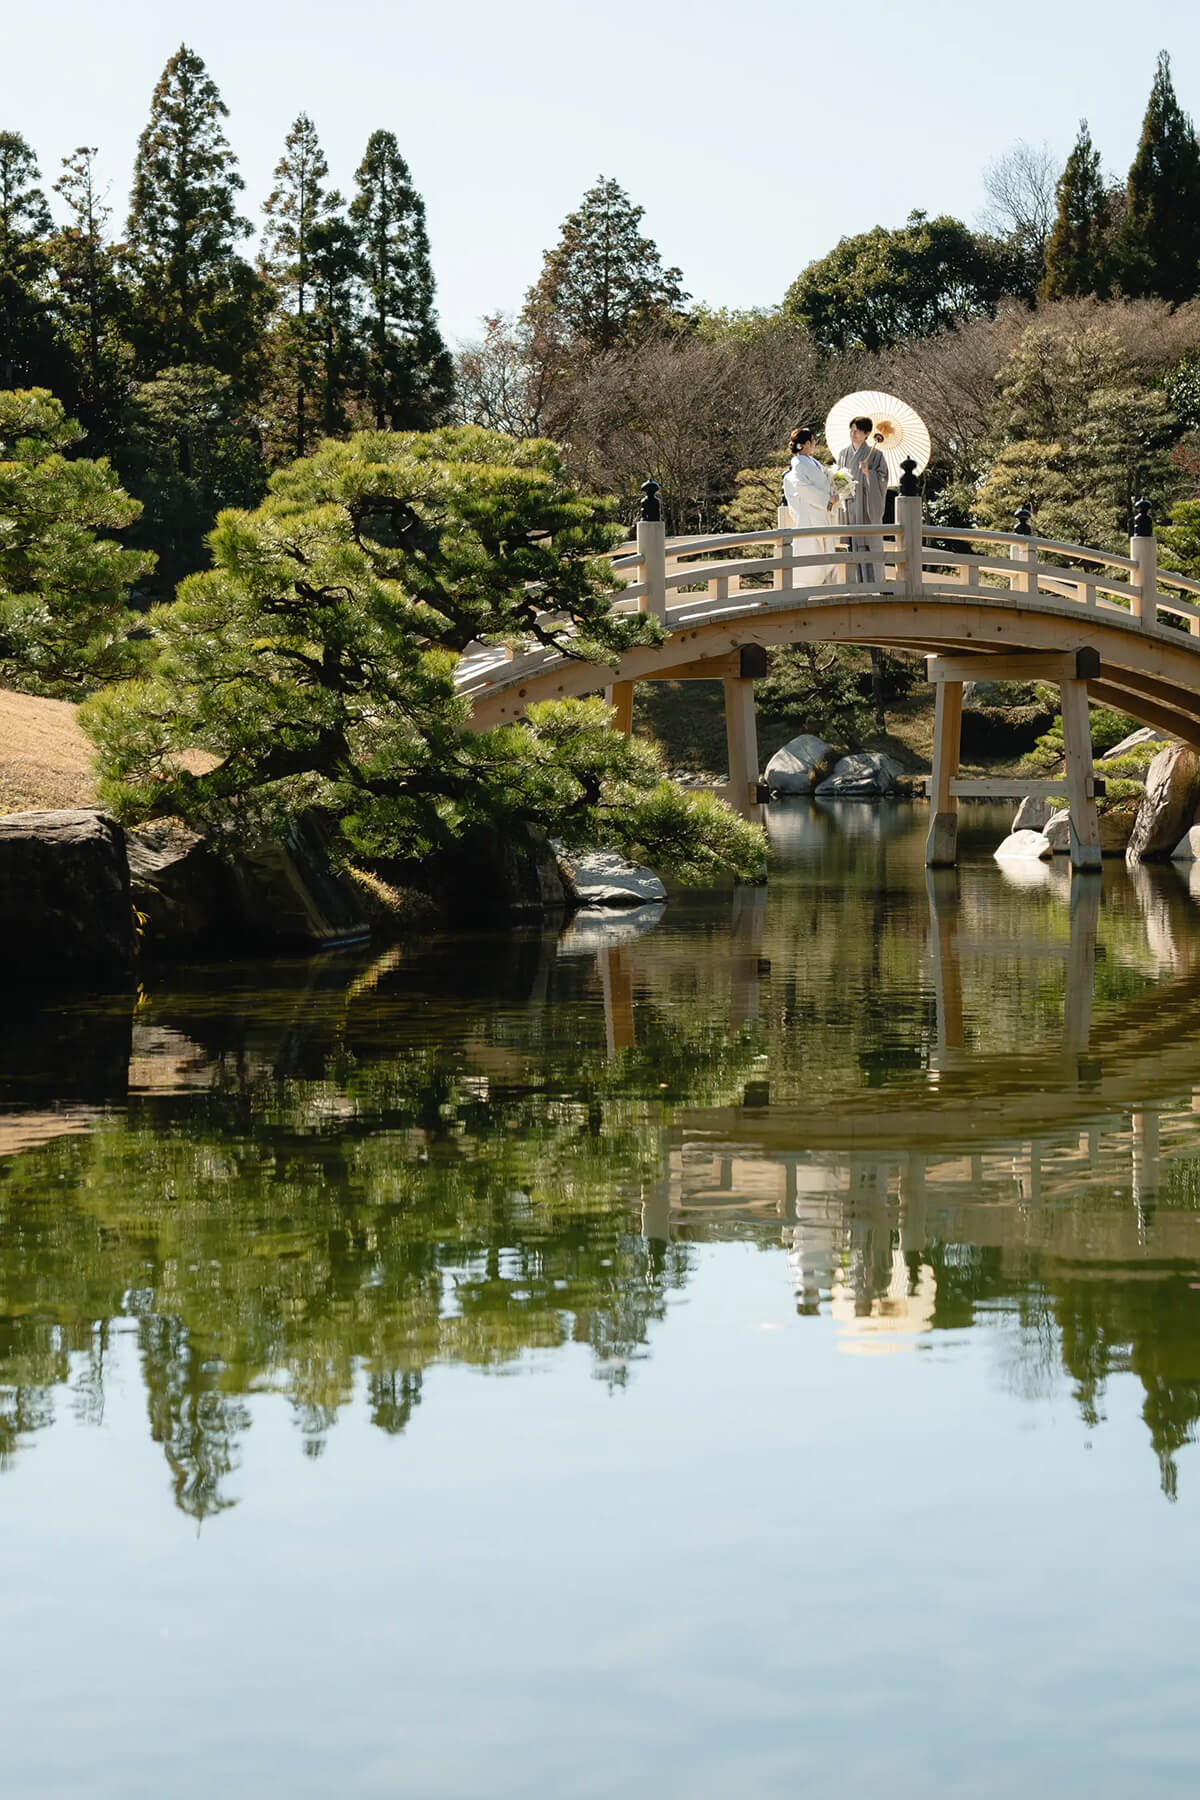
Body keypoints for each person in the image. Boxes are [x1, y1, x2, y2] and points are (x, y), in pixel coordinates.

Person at [836, 416, 889, 585]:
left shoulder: (876, 455)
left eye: (857, 431)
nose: (853, 434)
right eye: (851, 430)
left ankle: (873, 584)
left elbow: (883, 480)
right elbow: (838, 480)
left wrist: (869, 474)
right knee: (849, 544)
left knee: (867, 543)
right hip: (848, 507)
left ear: (867, 434)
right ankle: (851, 584)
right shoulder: (843, 454)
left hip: (866, 508)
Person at [781, 425, 835, 585]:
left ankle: (824, 584)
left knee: (823, 549)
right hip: (810, 513)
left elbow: (822, 483)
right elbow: (802, 488)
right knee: (811, 547)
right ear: (805, 444)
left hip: (819, 511)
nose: (814, 443)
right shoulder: (798, 463)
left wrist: (834, 490)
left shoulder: (811, 462)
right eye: (812, 440)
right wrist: (827, 498)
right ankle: (809, 584)